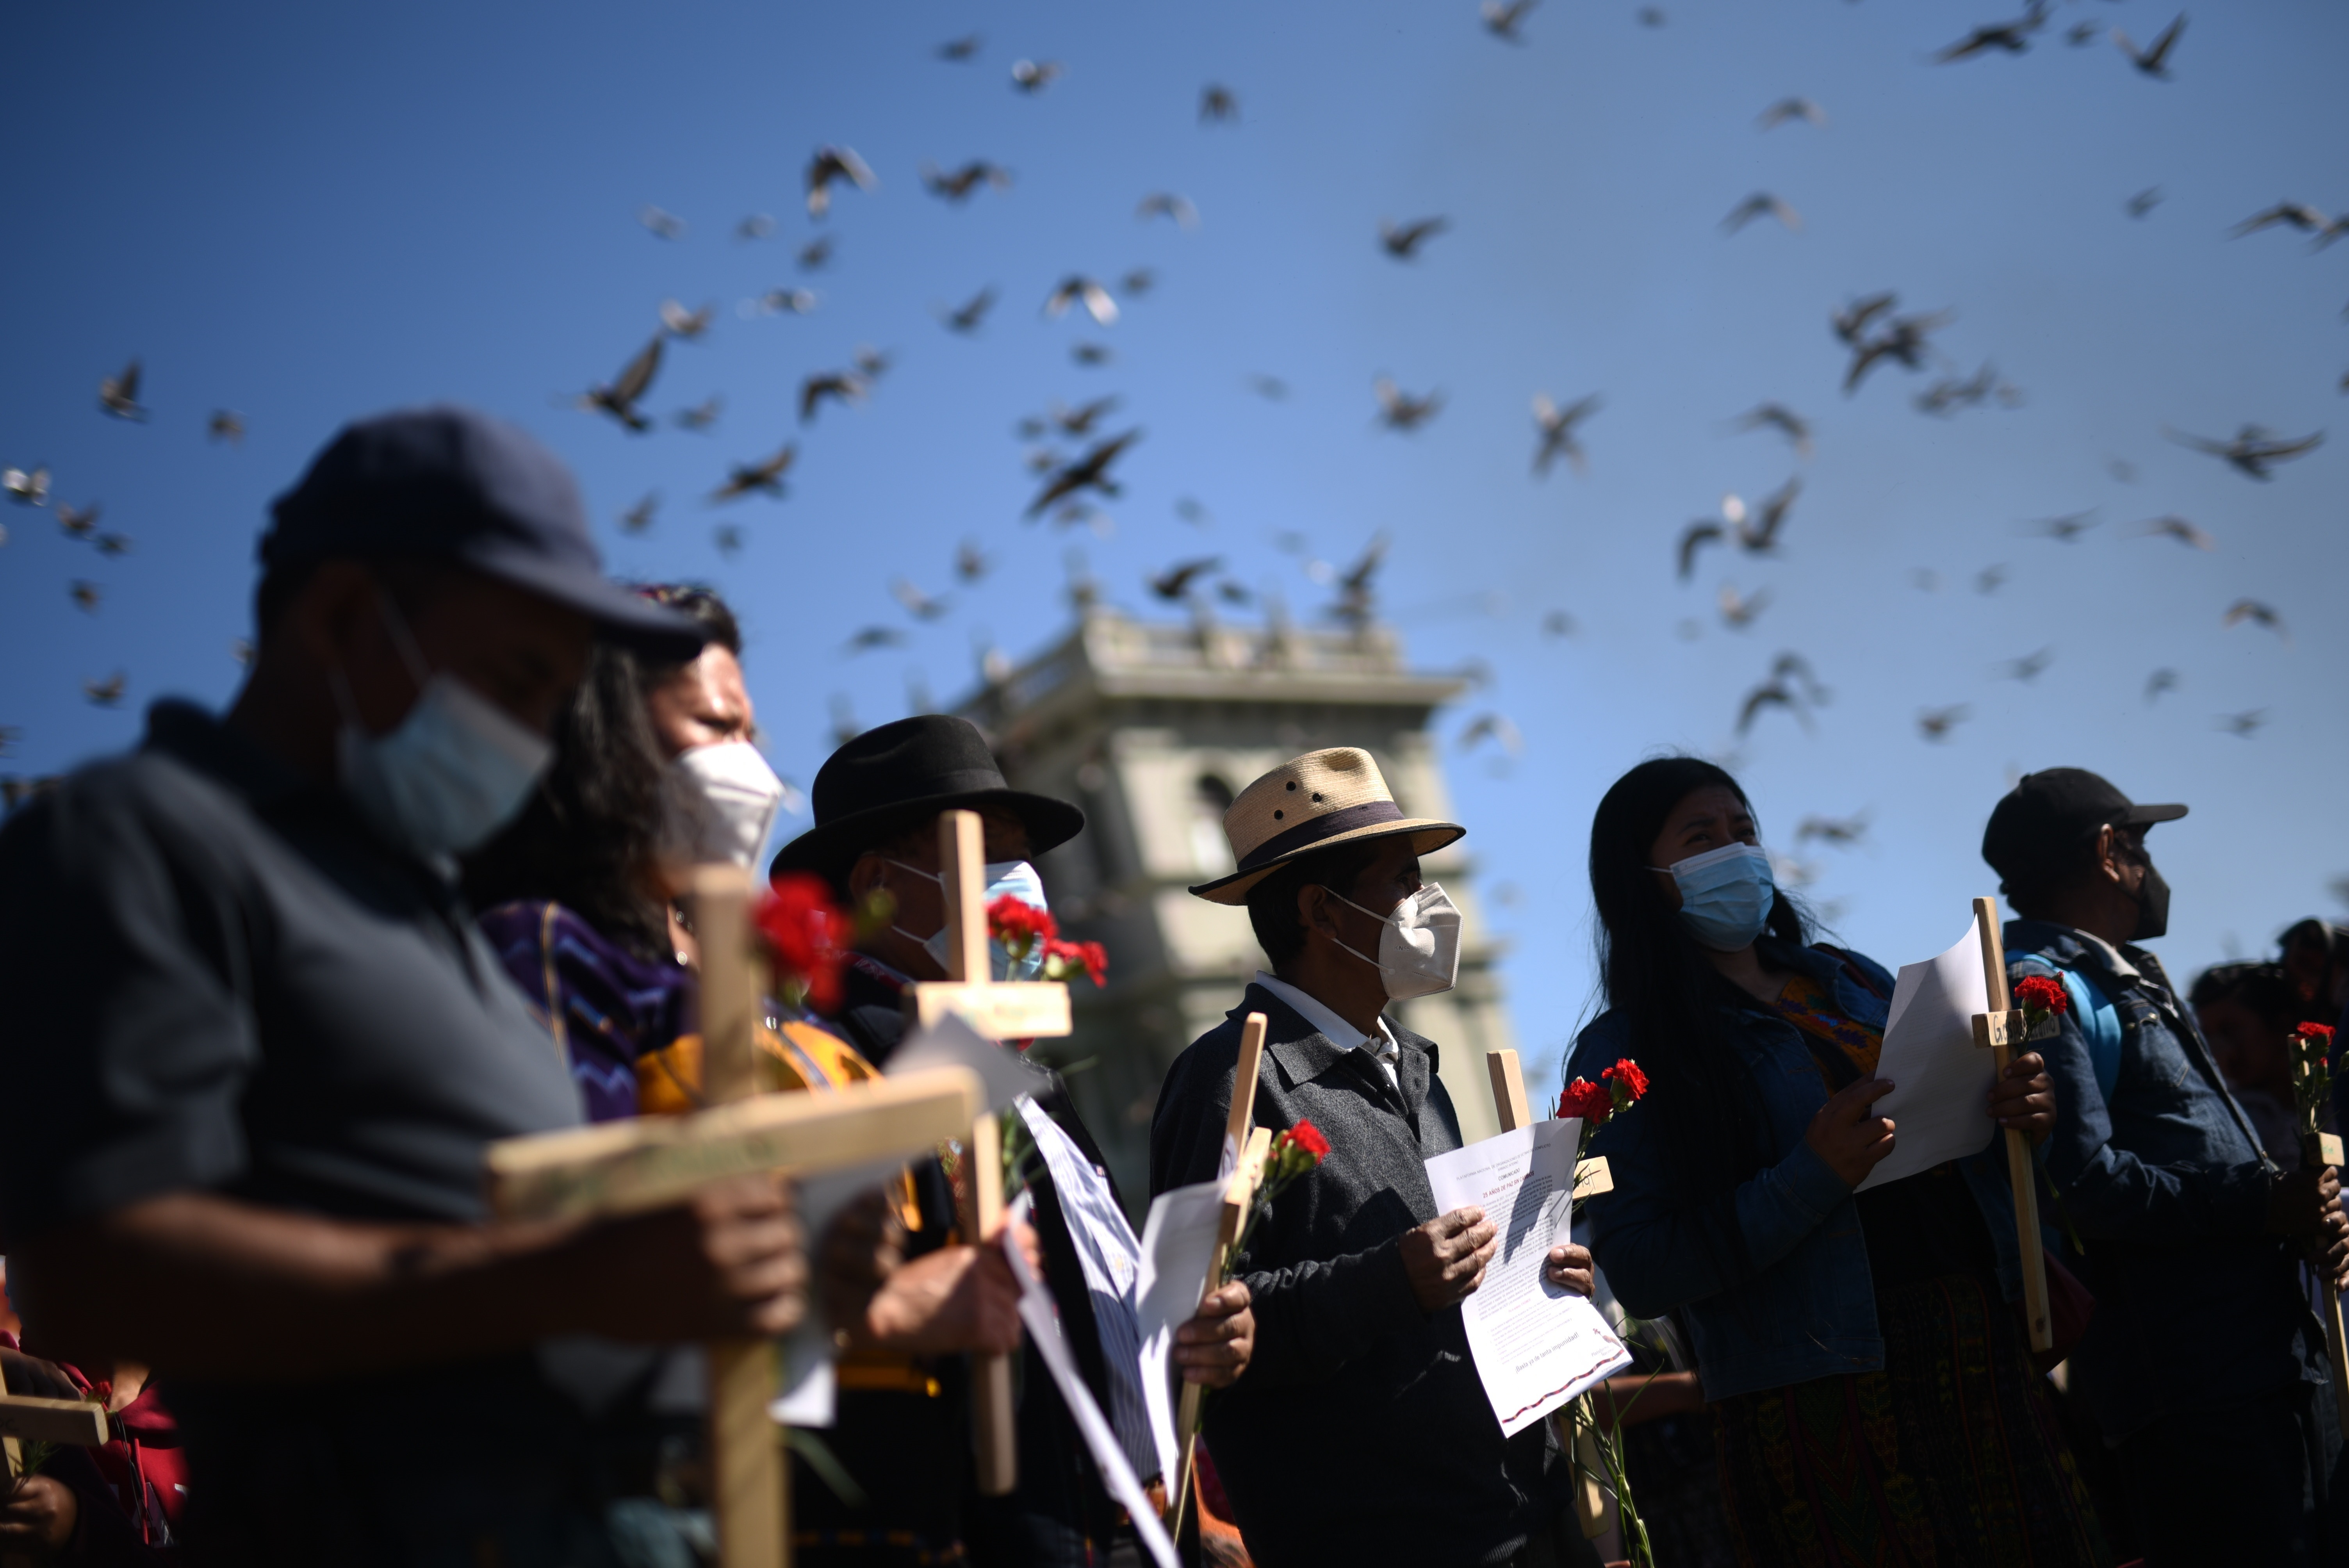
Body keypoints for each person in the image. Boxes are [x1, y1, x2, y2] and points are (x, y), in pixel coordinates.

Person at [0, 406, 809, 1564]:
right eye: (514, 677)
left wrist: (777, 1270)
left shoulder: (433, 916)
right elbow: (92, 1271)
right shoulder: (142, 842)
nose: (541, 737)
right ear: (341, 613)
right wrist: (557, 1277)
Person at [1567, 757, 2103, 1568]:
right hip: (1816, 1398)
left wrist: (2014, 1114)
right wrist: (1809, 1173)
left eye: (1742, 829)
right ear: (1642, 879)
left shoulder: (1852, 982)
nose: (1734, 851)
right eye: (1699, 837)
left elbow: (1955, 1143)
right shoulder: (1623, 1051)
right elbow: (1642, 1268)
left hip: (1973, 1351)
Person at [770, 713, 1256, 1567]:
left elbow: (1101, 1298)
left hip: (1137, 1518)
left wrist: (1189, 1355)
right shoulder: (837, 1070)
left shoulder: (1021, 1071)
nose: (1021, 884)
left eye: (1020, 857)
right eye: (982, 853)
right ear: (880, 882)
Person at [1150, 746, 1600, 1568]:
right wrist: (1389, 1281)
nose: (1425, 901)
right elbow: (1199, 1331)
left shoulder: (1418, 1069)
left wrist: (1535, 1275)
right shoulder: (1229, 1081)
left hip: (1519, 1516)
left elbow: (1455, 1282)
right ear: (1322, 912)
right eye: (1400, 880)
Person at [1985, 766, 2349, 1563]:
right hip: (2196, 1388)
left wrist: (2300, 1218)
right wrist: (2262, 1205)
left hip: (2273, 1360)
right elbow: (2090, 1187)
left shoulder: (2124, 972)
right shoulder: (2039, 989)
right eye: (2139, 847)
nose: (2149, 870)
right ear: (2110, 851)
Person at [2192, 960, 2311, 1169]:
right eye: (2209, 1036)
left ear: (2282, 1025)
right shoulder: (2223, 1114)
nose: (2220, 1049)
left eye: (2230, 1030)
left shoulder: (2333, 1098)